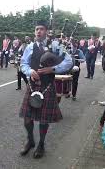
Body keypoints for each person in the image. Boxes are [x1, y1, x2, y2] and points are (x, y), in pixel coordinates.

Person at [19, 20, 73, 159]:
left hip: (47, 85)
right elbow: (23, 64)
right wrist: (30, 71)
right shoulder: (29, 47)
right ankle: (30, 140)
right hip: (32, 85)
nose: (38, 31)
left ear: (47, 31)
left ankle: (41, 144)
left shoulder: (55, 46)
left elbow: (69, 61)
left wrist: (52, 69)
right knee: (27, 118)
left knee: (44, 119)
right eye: (37, 29)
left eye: (41, 29)